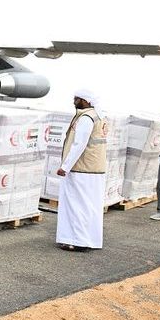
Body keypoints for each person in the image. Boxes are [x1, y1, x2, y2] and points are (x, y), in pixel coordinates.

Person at [55, 89, 107, 252]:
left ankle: (78, 241)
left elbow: (79, 144)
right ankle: (89, 239)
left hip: (82, 169)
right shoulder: (98, 116)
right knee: (89, 206)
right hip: (94, 169)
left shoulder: (86, 118)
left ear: (85, 100)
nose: (74, 101)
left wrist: (65, 167)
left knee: (77, 205)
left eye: (76, 98)